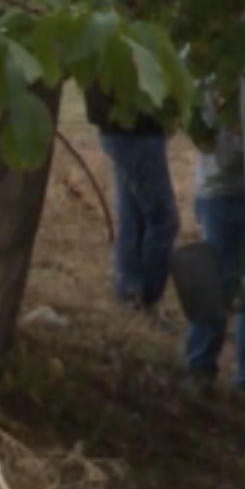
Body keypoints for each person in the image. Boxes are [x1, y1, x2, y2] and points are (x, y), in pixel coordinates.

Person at [182, 96, 245, 402]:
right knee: (217, 285)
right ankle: (199, 368)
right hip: (222, 193)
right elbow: (222, 154)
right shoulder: (209, 84)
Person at [86, 78, 178, 314]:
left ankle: (130, 293)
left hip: (128, 125)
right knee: (162, 218)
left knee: (133, 215)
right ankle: (146, 296)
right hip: (134, 126)